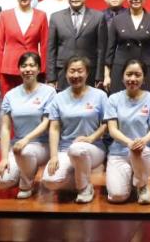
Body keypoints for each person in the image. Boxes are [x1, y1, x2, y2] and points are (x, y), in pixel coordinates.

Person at [41, 56, 108, 202]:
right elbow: (54, 128)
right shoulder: (58, 98)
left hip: (93, 148)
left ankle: (84, 188)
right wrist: (54, 156)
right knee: (50, 181)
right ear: (66, 73)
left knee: (77, 149)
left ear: (87, 73)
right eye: (72, 71)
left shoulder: (100, 96)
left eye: (80, 71)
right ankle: (77, 177)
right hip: (65, 149)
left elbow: (107, 124)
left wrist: (91, 138)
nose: (76, 75)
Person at [0, 51, 56, 198]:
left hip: (42, 145)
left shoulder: (49, 92)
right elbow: (5, 128)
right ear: (19, 69)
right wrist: (4, 157)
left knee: (26, 151)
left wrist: (26, 139)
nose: (28, 69)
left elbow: (46, 123)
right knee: (2, 181)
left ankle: (26, 184)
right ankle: (23, 170)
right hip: (18, 146)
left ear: (39, 69)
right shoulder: (10, 95)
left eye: (32, 65)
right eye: (24, 66)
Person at [104, 59, 150, 204]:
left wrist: (143, 141)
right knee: (117, 196)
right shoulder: (113, 99)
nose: (132, 78)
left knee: (138, 151)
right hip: (119, 152)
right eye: (129, 74)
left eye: (137, 75)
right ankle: (131, 176)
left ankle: (142, 185)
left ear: (144, 78)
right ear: (122, 77)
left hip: (145, 151)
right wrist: (129, 143)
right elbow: (112, 130)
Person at [0, 0, 49, 97]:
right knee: (8, 103)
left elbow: (45, 46)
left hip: (32, 68)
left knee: (33, 101)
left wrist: (44, 71)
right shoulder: (4, 15)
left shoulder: (41, 16)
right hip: (9, 69)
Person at [104, 0, 150, 94]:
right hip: (120, 69)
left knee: (144, 102)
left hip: (145, 69)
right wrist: (107, 76)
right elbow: (109, 51)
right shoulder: (117, 20)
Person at [48, 0, 107, 89]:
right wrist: (51, 78)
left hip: (89, 72)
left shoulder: (98, 17)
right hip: (63, 72)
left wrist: (99, 77)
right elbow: (51, 50)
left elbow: (101, 50)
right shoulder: (56, 17)